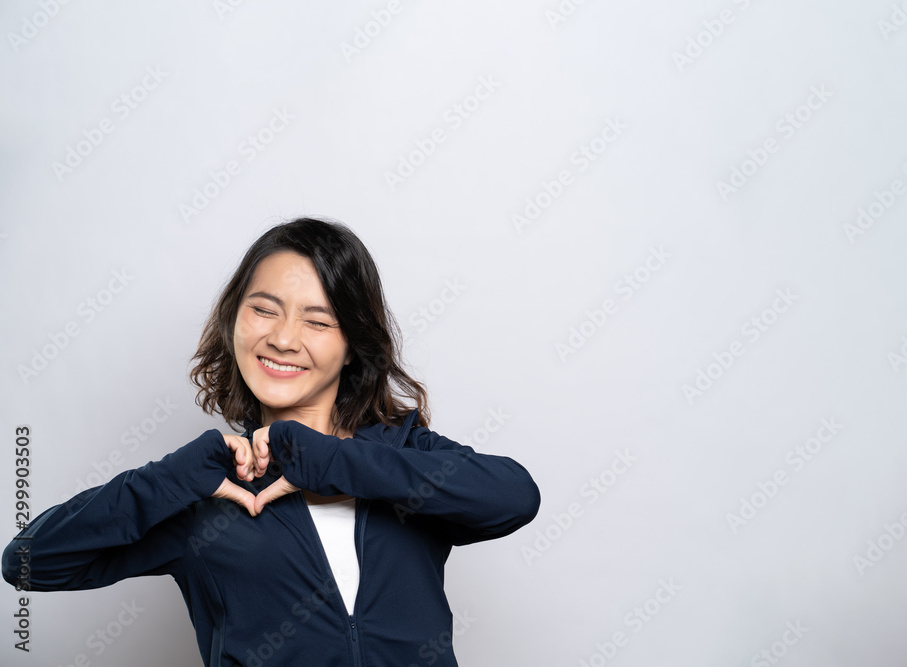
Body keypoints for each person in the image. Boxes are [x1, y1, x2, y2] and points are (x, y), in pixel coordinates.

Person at [2, 217, 541, 667]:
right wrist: (170, 479)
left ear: (353, 345)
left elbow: (515, 497)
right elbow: (27, 564)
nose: (283, 338)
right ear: (233, 320)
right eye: (263, 309)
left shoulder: (400, 453)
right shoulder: (208, 489)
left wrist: (332, 461)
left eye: (318, 321)